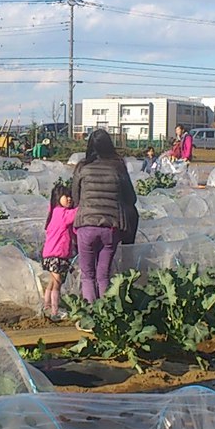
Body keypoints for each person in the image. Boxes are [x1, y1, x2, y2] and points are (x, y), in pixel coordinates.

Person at [71, 128, 137, 302]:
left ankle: (90, 316)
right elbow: (131, 198)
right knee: (103, 275)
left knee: (87, 275)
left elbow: (75, 199)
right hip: (111, 227)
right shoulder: (118, 166)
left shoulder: (82, 167)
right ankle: (105, 314)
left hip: (86, 225)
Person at [41, 181, 77, 319]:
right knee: (58, 283)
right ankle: (55, 312)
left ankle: (46, 306)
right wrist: (84, 204)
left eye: (70, 196)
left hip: (50, 255)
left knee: (52, 282)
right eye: (66, 196)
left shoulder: (53, 213)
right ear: (57, 198)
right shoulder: (62, 213)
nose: (69, 199)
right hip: (57, 255)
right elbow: (76, 213)